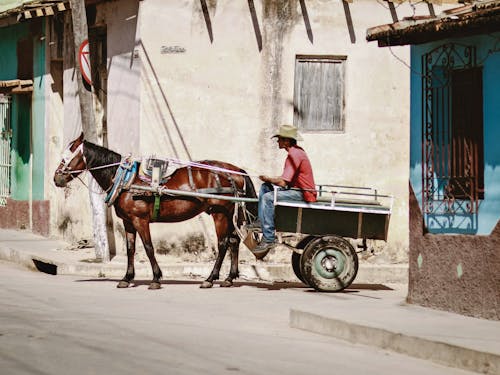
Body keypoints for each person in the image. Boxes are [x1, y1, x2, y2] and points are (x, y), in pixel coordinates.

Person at [250, 124, 316, 260]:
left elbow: (283, 182)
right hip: (296, 190)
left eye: (279, 139)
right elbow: (285, 179)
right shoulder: (296, 152)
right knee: (265, 187)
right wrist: (268, 180)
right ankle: (260, 220)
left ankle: (269, 237)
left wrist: (269, 177)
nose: (277, 141)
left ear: (287, 141)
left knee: (268, 197)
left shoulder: (294, 155)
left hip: (302, 193)